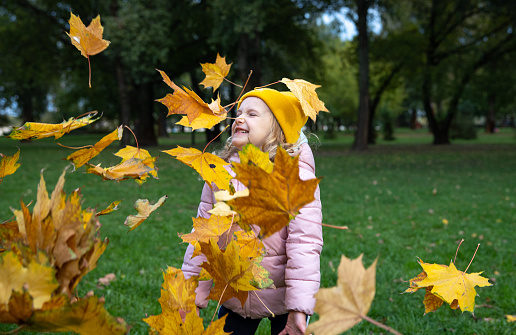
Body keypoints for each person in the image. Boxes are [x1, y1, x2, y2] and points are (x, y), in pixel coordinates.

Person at [181, 88, 323, 335]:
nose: (239, 118)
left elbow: (305, 243)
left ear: (276, 129)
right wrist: (194, 285)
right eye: (239, 113)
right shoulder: (220, 173)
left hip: (283, 297)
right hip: (237, 292)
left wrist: (299, 307)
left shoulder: (295, 178)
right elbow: (204, 232)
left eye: (252, 114)